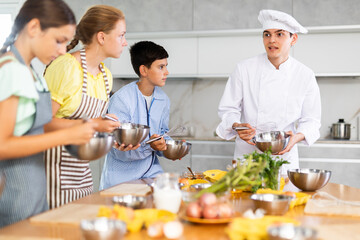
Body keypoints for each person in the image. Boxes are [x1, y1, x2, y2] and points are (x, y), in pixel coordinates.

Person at [0, 0, 97, 227]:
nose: (63, 50)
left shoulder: (31, 71)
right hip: (15, 196)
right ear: (34, 28)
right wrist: (67, 137)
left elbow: (34, 126)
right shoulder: (12, 70)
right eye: (59, 41)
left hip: (32, 194)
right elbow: (2, 145)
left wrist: (84, 126)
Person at [43, 5, 137, 209]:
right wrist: (95, 124)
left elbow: (90, 130)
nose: (125, 42)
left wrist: (115, 138)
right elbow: (41, 123)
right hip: (52, 174)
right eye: (121, 35)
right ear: (102, 37)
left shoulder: (105, 76)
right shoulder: (66, 67)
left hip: (81, 175)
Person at [216, 9, 321, 173]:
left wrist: (296, 138)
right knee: (244, 197)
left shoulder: (305, 75)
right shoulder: (244, 69)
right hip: (248, 154)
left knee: (284, 196)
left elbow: (312, 120)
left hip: (284, 156)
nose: (271, 40)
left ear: (293, 39)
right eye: (267, 34)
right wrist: (237, 126)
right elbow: (228, 109)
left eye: (279, 34)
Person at [100, 41, 171, 190]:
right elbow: (120, 150)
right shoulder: (122, 99)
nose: (166, 72)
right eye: (161, 67)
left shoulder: (163, 100)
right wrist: (150, 146)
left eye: (166, 66)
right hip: (121, 180)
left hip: (152, 175)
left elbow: (163, 133)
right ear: (144, 70)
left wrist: (167, 147)